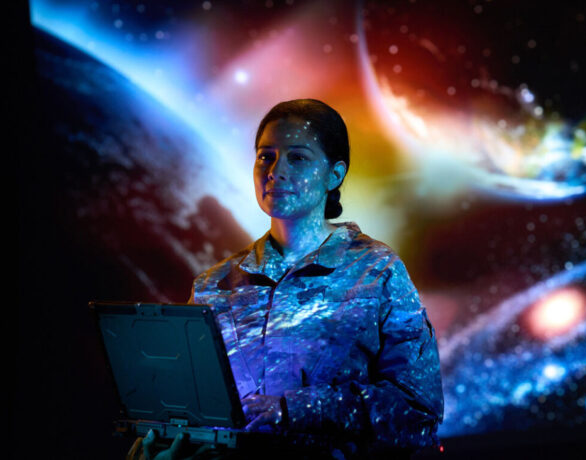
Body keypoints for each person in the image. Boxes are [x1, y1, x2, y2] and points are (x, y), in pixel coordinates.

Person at [131, 99, 443, 459]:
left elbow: (418, 412)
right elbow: (188, 406)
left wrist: (294, 409)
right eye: (266, 156)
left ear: (334, 174)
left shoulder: (376, 272)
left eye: (297, 157)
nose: (276, 171)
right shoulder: (214, 287)